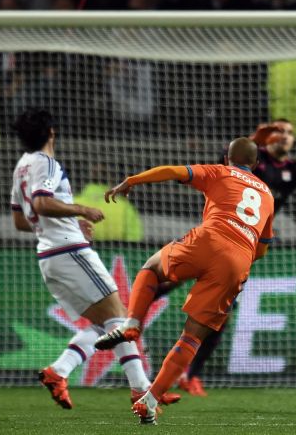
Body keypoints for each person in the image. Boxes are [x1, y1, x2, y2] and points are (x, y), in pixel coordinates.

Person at [94, 137, 275, 424]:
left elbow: (172, 171)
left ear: (227, 157)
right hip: (239, 258)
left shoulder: (220, 171)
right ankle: (149, 402)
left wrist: (131, 180)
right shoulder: (267, 193)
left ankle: (131, 325)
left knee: (152, 268)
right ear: (255, 163)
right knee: (192, 337)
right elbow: (262, 248)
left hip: (209, 239)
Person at [9, 108, 179, 409]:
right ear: (52, 132)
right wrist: (81, 211)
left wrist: (67, 223)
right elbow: (41, 203)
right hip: (69, 251)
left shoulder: (21, 166)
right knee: (121, 318)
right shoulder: (47, 163)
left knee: (106, 324)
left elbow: (22, 221)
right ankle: (141, 390)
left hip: (49, 256)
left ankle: (59, 371)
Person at [175, 94, 296, 396]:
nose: (285, 136)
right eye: (278, 130)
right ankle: (130, 323)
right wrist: (252, 140)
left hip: (239, 250)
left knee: (221, 312)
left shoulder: (292, 171)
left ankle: (190, 374)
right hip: (210, 237)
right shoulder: (251, 164)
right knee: (164, 282)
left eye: (290, 133)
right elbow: (220, 165)